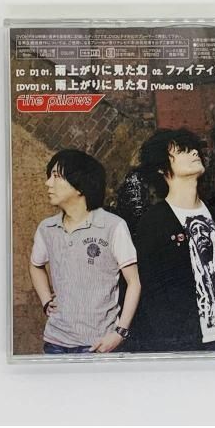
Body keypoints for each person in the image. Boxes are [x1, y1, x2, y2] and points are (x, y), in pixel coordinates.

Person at [133, 128, 215, 352]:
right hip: (197, 343)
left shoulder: (214, 211)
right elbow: (154, 293)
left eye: (193, 149)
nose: (194, 153)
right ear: (161, 167)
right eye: (182, 151)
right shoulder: (153, 223)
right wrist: (178, 342)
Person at [29, 150, 140, 354]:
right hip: (55, 343)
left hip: (98, 345)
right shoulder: (47, 228)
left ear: (80, 186)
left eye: (56, 176)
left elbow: (134, 282)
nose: (48, 183)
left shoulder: (113, 226)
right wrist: (46, 301)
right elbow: (36, 265)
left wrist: (120, 333)